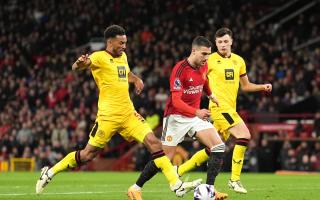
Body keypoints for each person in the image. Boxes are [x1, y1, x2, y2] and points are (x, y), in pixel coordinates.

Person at [35, 25, 201, 199]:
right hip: (108, 117)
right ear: (110, 41)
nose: (124, 46)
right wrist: (79, 63)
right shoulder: (99, 57)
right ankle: (49, 172)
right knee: (87, 154)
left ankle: (176, 185)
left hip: (129, 114)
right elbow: (77, 67)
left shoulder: (123, 56)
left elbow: (125, 73)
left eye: (125, 43)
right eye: (121, 43)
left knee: (154, 143)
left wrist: (136, 79)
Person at [129, 36, 228, 200]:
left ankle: (210, 190)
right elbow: (176, 100)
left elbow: (204, 82)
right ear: (194, 51)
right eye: (204, 54)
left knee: (218, 146)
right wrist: (197, 112)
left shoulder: (204, 66)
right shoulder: (179, 70)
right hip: (175, 118)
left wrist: (211, 96)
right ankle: (135, 188)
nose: (207, 58)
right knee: (164, 158)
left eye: (209, 54)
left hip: (195, 117)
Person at [207, 27, 272, 193]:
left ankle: (180, 172)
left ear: (231, 42)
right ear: (215, 43)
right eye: (219, 42)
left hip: (231, 108)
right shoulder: (209, 60)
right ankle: (234, 179)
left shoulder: (239, 61)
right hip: (219, 107)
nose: (223, 44)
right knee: (244, 135)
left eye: (225, 41)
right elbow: (198, 81)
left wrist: (262, 87)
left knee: (214, 146)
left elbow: (246, 86)